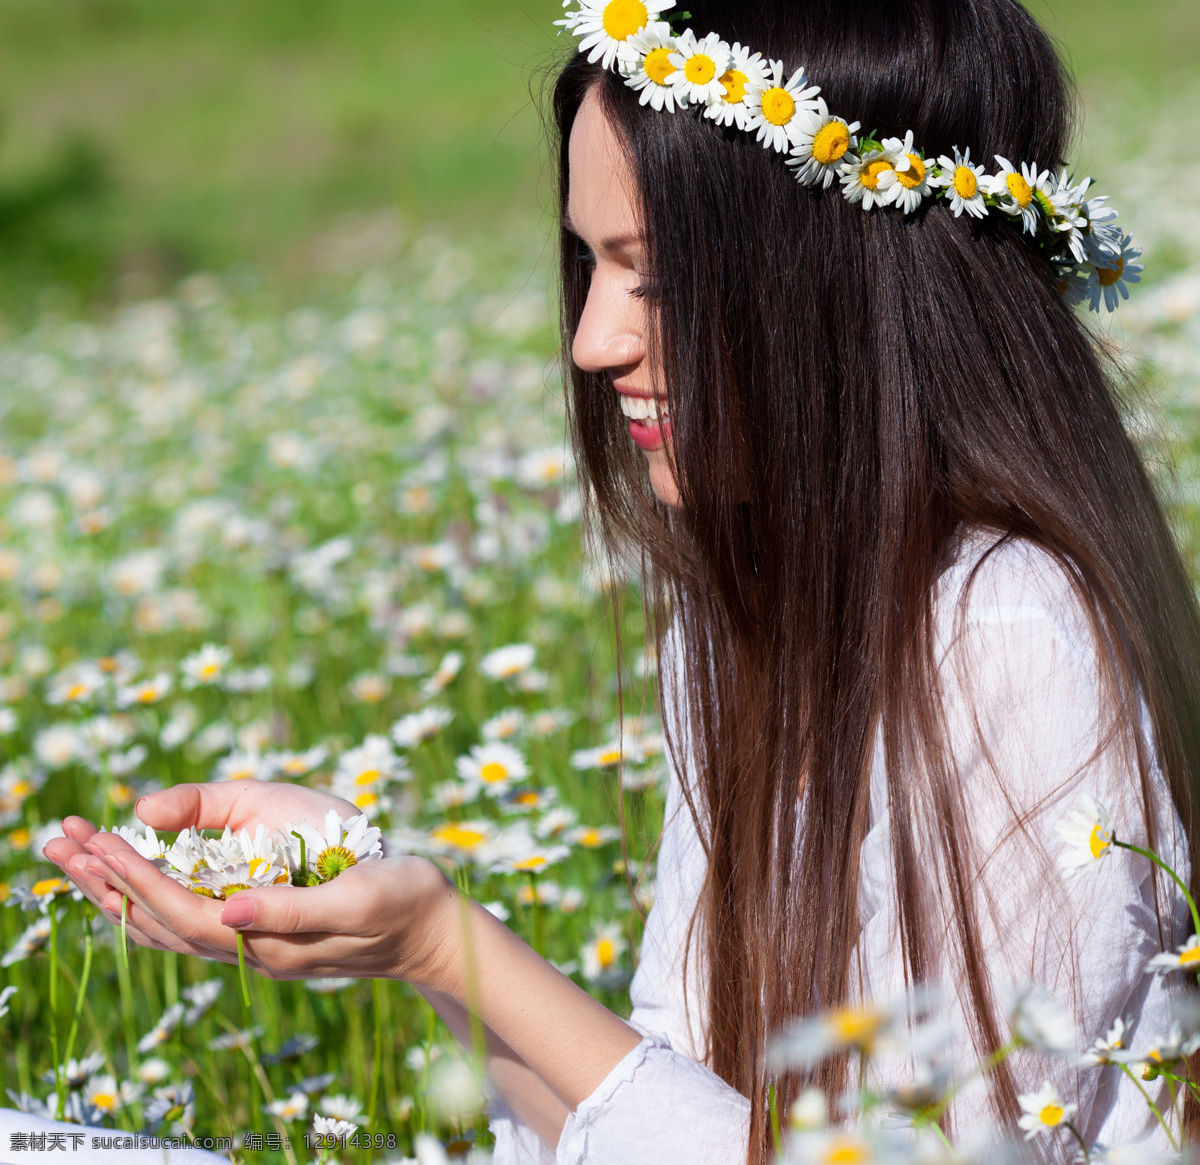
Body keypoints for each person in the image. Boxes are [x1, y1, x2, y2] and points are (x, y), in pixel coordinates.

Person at [45, 1, 1200, 1161]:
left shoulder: (1009, 629)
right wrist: (394, 912)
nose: (593, 339)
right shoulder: (750, 607)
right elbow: (657, 1104)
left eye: (649, 276)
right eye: (590, 263)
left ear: (835, 281)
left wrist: (449, 944)